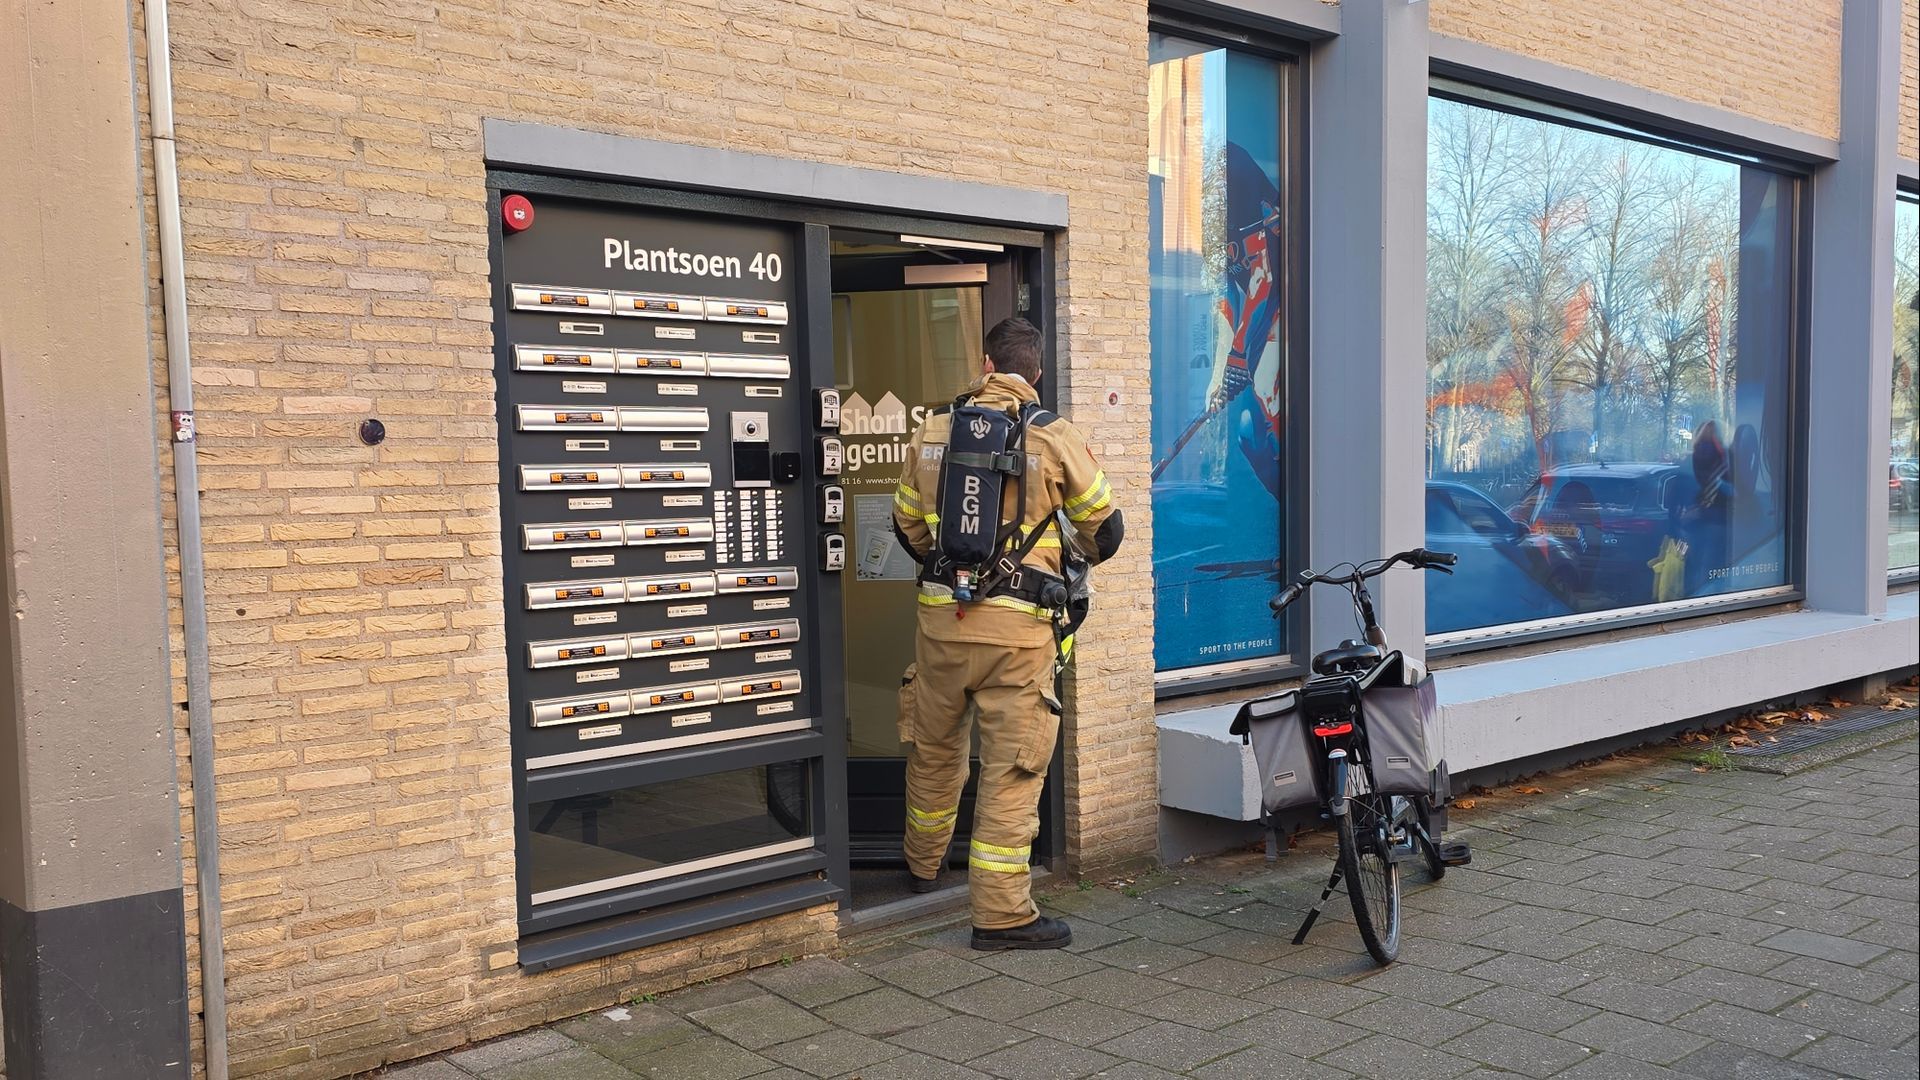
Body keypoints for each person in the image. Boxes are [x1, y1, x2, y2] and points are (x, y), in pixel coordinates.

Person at [890, 316, 1124, 950]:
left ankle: (920, 867)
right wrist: (1054, 558)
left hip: (940, 625)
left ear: (986, 366)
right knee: (1011, 770)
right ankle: (1000, 916)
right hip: (1019, 637)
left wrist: (949, 574)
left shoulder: (932, 430)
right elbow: (1105, 531)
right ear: (1036, 375)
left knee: (935, 751)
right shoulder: (1054, 436)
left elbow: (906, 524)